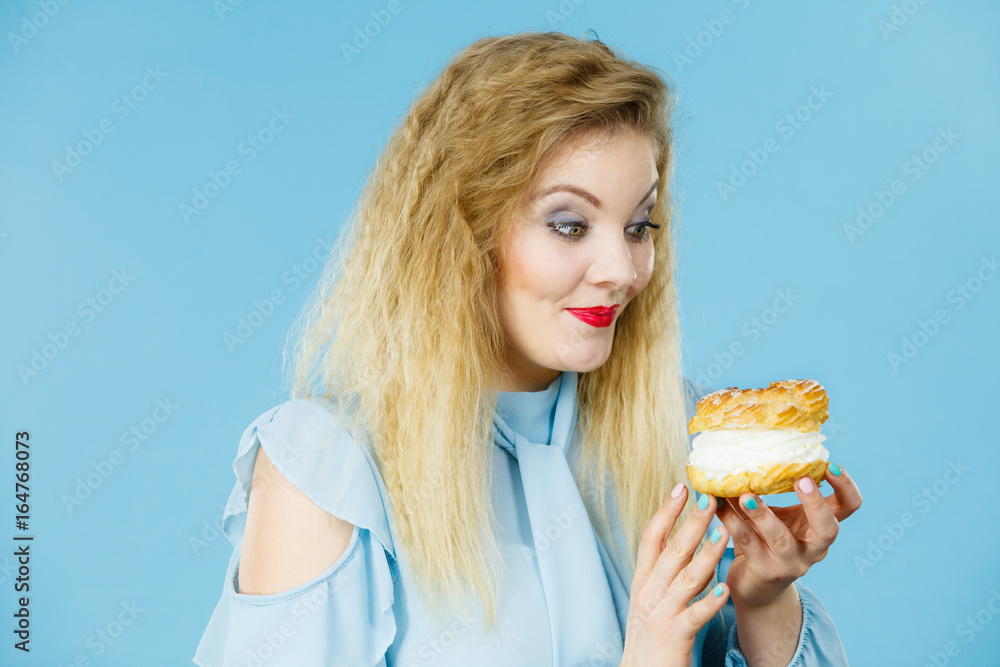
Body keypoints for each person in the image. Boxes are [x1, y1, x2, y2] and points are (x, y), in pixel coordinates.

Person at [192, 30, 862, 666]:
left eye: (639, 226)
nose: (622, 270)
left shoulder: (677, 437)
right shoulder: (326, 471)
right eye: (570, 225)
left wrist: (763, 595)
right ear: (461, 234)